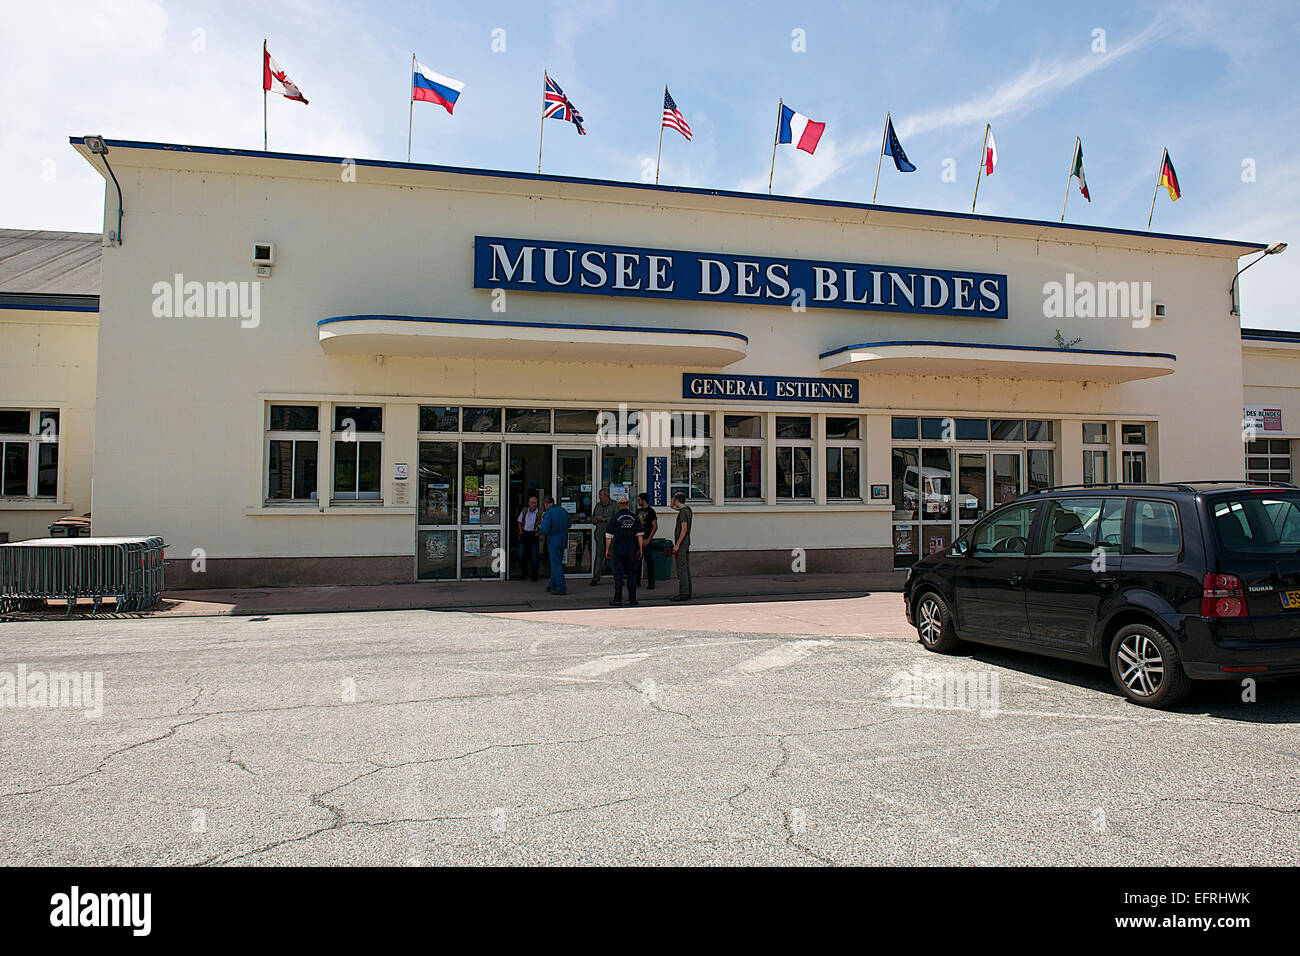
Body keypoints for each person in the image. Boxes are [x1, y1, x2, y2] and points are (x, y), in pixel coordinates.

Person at [605, 495, 643, 606]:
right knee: (632, 574)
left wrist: (607, 549)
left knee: (618, 574)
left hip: (619, 547)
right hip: (632, 547)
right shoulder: (634, 517)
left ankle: (617, 599)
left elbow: (609, 536)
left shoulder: (615, 518)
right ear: (627, 504)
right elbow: (640, 534)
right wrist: (640, 549)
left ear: (618, 505)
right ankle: (632, 599)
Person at [539, 495, 571, 595]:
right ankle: (552, 584)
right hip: (563, 539)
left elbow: (545, 529)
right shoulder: (563, 511)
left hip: (553, 540)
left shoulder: (548, 513)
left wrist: (540, 528)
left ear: (546, 503)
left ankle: (561, 588)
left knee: (556, 564)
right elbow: (569, 524)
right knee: (557, 562)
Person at [589, 488, 616, 586]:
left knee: (613, 555)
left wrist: (604, 519)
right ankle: (596, 577)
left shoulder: (614, 505)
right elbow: (593, 518)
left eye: (600, 495)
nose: (599, 497)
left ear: (606, 496)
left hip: (611, 534)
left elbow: (616, 518)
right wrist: (596, 519)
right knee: (599, 555)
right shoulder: (598, 506)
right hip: (599, 534)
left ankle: (617, 576)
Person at [669, 492, 692, 602]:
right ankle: (688, 591)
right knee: (686, 567)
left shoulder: (682, 513)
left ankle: (683, 592)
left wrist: (677, 545)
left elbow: (684, 529)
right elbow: (673, 507)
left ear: (677, 500)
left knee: (681, 568)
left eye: (674, 499)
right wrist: (674, 502)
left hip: (682, 543)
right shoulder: (687, 510)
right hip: (686, 542)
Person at [636, 492, 658, 590]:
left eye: (639, 499)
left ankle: (651, 582)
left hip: (646, 539)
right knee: (637, 561)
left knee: (649, 562)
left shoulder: (651, 511)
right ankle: (637, 581)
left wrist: (649, 539)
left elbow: (655, 527)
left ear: (643, 500)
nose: (638, 501)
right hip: (638, 539)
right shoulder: (638, 511)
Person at [516, 494, 541, 582]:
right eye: (532, 503)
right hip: (525, 533)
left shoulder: (539, 513)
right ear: (528, 503)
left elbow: (542, 526)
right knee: (521, 554)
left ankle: (534, 575)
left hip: (533, 534)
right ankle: (524, 572)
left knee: (534, 556)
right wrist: (521, 531)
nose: (533, 505)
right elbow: (519, 521)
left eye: (535, 503)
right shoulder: (524, 511)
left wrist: (537, 534)